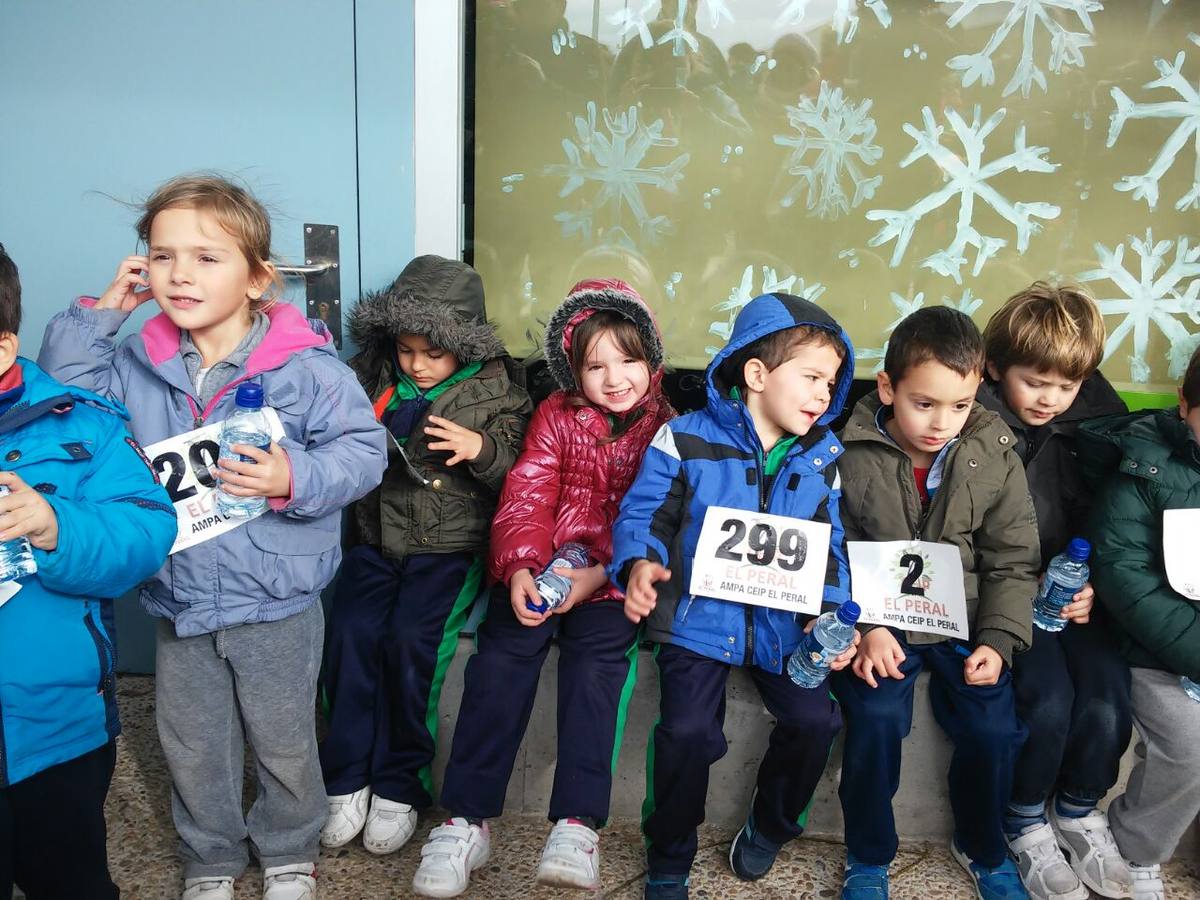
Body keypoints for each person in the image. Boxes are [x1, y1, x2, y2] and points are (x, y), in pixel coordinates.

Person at [38, 175, 387, 900]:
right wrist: (102, 314)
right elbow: (68, 407)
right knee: (194, 745)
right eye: (162, 257)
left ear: (259, 278)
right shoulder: (134, 361)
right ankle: (211, 858)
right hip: (181, 595)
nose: (180, 275)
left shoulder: (308, 367)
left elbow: (364, 451)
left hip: (277, 596)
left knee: (285, 738)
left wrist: (294, 474)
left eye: (206, 257)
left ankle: (290, 849)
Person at [410, 279, 675, 898]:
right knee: (499, 662)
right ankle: (466, 820)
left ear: (653, 360)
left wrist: (602, 574)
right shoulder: (556, 416)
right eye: (595, 365)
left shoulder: (668, 428)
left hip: (610, 582)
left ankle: (577, 823)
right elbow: (527, 493)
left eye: (629, 360)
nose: (614, 379)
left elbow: (658, 514)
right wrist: (522, 566)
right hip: (545, 569)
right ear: (570, 370)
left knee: (596, 672)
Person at [611, 291, 858, 900]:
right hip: (696, 619)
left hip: (783, 626)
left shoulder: (824, 459)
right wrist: (641, 565)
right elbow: (646, 516)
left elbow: (832, 545)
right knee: (688, 733)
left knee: (816, 719)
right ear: (756, 375)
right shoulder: (683, 438)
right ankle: (669, 855)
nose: (824, 395)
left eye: (831, 383)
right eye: (810, 377)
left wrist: (832, 613)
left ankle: (772, 825)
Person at [318, 255, 531, 855]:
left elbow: (524, 475)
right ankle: (346, 776)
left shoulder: (500, 396)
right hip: (377, 540)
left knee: (413, 643)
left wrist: (482, 449)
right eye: (406, 349)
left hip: (449, 548)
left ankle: (399, 783)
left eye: (431, 353)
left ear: (463, 347)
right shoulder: (368, 382)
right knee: (352, 634)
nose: (416, 363)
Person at [834, 306, 1039, 900]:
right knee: (874, 719)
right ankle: (868, 855)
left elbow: (1013, 558)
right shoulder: (847, 451)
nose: (941, 422)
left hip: (963, 622)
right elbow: (832, 548)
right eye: (923, 404)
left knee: (994, 729)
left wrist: (998, 641)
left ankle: (983, 846)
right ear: (887, 389)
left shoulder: (995, 453)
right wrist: (865, 625)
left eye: (959, 405)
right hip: (877, 622)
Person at [0, 243, 175, 900]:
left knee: (69, 878)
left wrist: (55, 526)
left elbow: (147, 531)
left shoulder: (84, 425)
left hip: (57, 728)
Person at [977, 283, 1132, 900]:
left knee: (1108, 699)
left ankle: (1077, 810)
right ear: (995, 369)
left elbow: (1117, 519)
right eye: (1035, 382)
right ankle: (1022, 819)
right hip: (1007, 595)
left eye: (1066, 386)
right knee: (1046, 702)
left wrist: (1093, 583)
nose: (1051, 399)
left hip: (1077, 591)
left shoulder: (1101, 425)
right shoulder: (975, 423)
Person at [1077, 344, 1200, 900]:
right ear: (1184, 404)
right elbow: (1125, 576)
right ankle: (1137, 847)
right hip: (1151, 651)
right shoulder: (1143, 463)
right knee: (1192, 742)